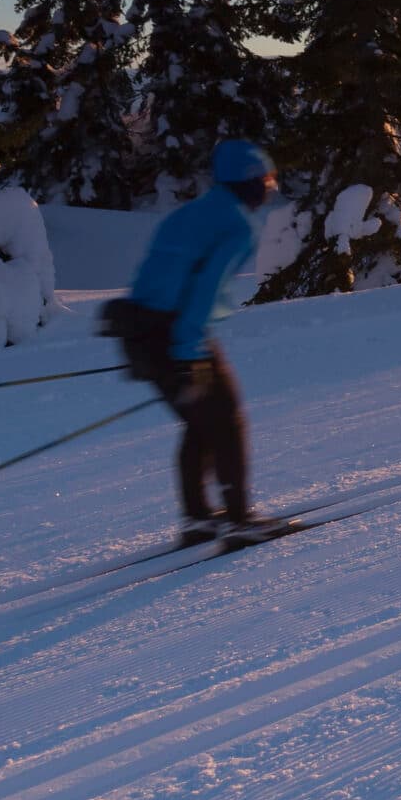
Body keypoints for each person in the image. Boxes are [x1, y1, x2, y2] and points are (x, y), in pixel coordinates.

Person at [112, 139, 280, 543]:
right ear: (250, 180)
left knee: (200, 422)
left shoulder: (190, 214)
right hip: (179, 336)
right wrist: (189, 353)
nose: (270, 189)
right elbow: (204, 290)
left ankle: (198, 519)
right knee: (225, 420)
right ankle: (239, 522)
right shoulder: (237, 224)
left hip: (142, 331)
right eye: (268, 180)